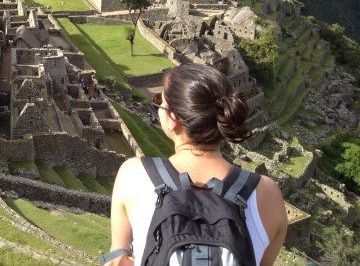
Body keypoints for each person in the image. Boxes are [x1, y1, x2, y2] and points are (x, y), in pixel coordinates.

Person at [107, 64, 288, 266]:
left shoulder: (133, 175)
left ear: (173, 118)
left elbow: (118, 261)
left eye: (159, 101)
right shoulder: (268, 193)